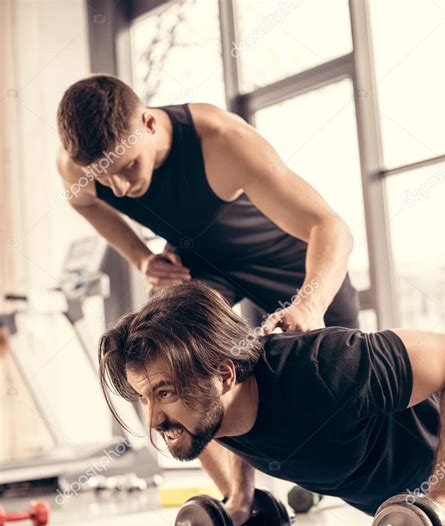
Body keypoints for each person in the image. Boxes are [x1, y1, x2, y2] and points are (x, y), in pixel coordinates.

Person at [56, 73, 358, 491]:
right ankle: (239, 500)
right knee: (169, 358)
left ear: (148, 123)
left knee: (348, 386)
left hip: (288, 259)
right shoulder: (77, 166)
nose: (121, 189)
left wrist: (309, 303)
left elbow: (331, 227)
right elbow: (87, 205)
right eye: (107, 177)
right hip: (200, 265)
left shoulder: (221, 140)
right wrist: (142, 258)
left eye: (128, 167)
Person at [98, 282, 445, 526]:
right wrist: (240, 496)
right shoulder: (210, 411)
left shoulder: (329, 365)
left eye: (164, 392)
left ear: (225, 376)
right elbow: (238, 427)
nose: (154, 420)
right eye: (145, 398)